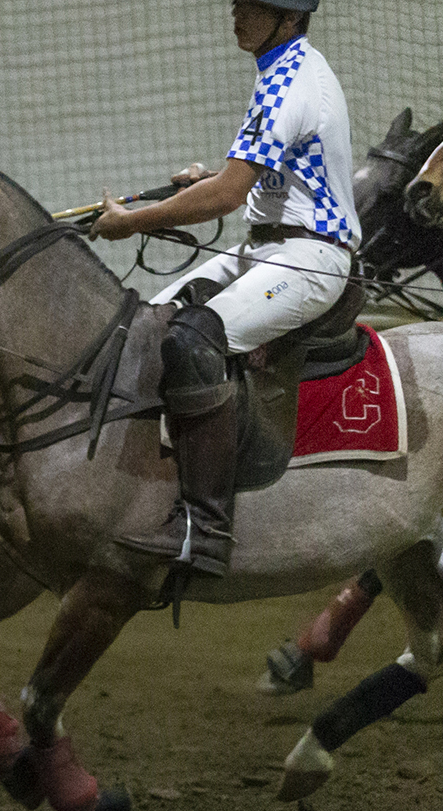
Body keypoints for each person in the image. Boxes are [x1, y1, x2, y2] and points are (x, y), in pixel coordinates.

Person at [91, 0, 356, 578]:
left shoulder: (292, 81)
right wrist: (208, 179)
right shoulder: (278, 69)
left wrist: (133, 222)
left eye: (252, 6)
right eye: (237, 2)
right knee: (148, 323)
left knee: (193, 340)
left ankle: (204, 528)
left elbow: (228, 197)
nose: (236, 12)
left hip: (311, 260)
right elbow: (265, 181)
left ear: (289, 19)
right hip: (269, 248)